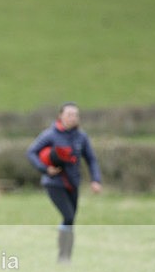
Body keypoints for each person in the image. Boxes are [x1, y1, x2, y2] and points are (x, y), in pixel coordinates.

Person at [26, 102, 102, 262]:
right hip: (54, 183)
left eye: (75, 115)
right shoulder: (50, 134)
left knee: (71, 219)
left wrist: (96, 180)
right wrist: (45, 169)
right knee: (68, 216)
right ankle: (63, 256)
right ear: (61, 116)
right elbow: (31, 152)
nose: (73, 118)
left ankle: (66, 256)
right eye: (69, 114)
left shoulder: (81, 136)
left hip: (73, 184)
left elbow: (91, 159)